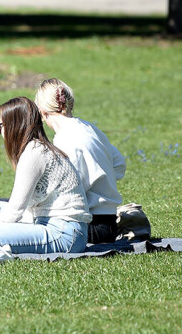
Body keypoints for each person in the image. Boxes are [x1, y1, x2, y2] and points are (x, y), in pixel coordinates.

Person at [0, 97, 91, 254]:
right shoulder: (38, 148)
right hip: (54, 224)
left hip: (65, 234)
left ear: (14, 126)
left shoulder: (34, 153)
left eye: (1, 126)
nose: (1, 132)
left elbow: (16, 210)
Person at [35, 78, 126, 244]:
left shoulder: (65, 140)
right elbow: (119, 165)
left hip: (88, 226)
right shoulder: (89, 128)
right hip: (109, 221)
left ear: (42, 111)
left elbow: (70, 190)